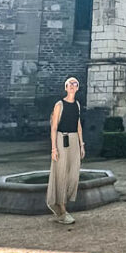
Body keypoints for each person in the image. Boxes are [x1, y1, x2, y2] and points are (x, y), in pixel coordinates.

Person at [46, 76, 85, 224]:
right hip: (62, 140)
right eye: (70, 84)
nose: (73, 86)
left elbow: (78, 125)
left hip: (74, 140)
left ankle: (64, 205)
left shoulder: (77, 105)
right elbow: (54, 127)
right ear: (65, 87)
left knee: (73, 174)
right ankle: (62, 210)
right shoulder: (59, 105)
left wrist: (82, 145)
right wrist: (54, 148)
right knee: (61, 173)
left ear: (77, 88)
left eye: (75, 84)